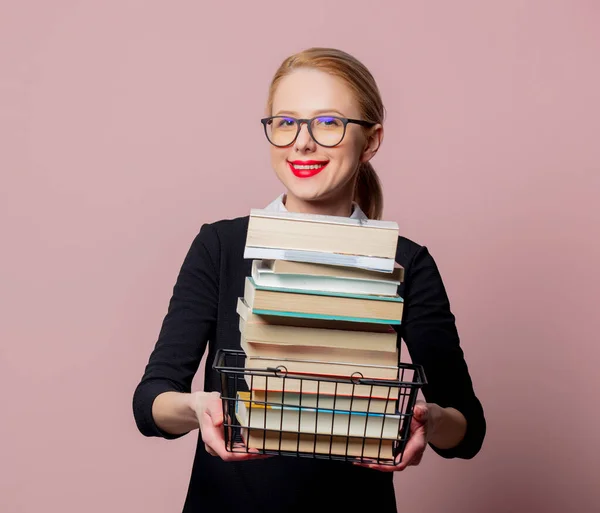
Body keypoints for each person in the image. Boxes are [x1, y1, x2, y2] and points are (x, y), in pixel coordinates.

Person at [132, 47, 486, 513]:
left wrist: (428, 419)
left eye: (327, 123)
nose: (302, 143)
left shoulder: (407, 262)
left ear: (372, 140)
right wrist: (198, 408)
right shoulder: (221, 246)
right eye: (286, 122)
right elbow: (151, 401)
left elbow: (467, 430)